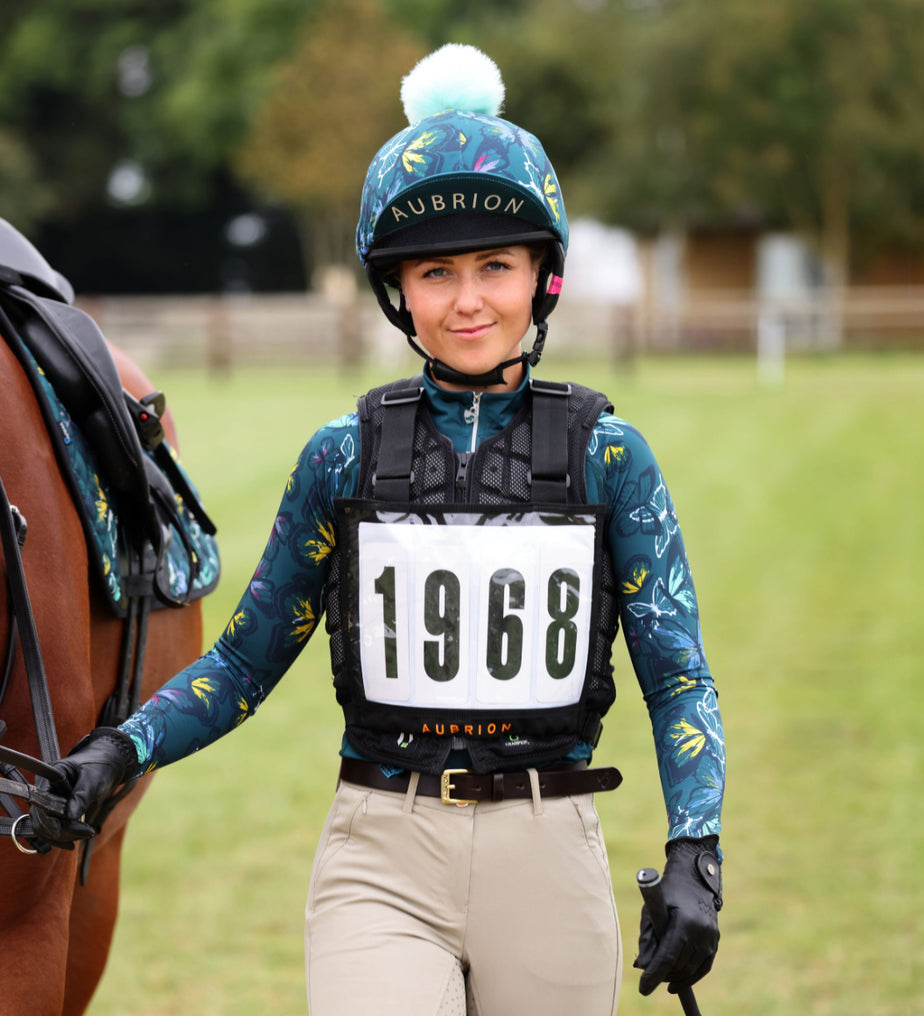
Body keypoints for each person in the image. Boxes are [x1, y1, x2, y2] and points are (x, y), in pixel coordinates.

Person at [38, 43, 725, 1015]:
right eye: (435, 272)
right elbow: (244, 660)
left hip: (550, 850)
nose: (469, 299)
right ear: (398, 290)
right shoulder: (342, 457)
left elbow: (677, 671)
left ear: (543, 277)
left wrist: (696, 848)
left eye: (496, 265)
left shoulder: (612, 459)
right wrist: (124, 744)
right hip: (380, 851)